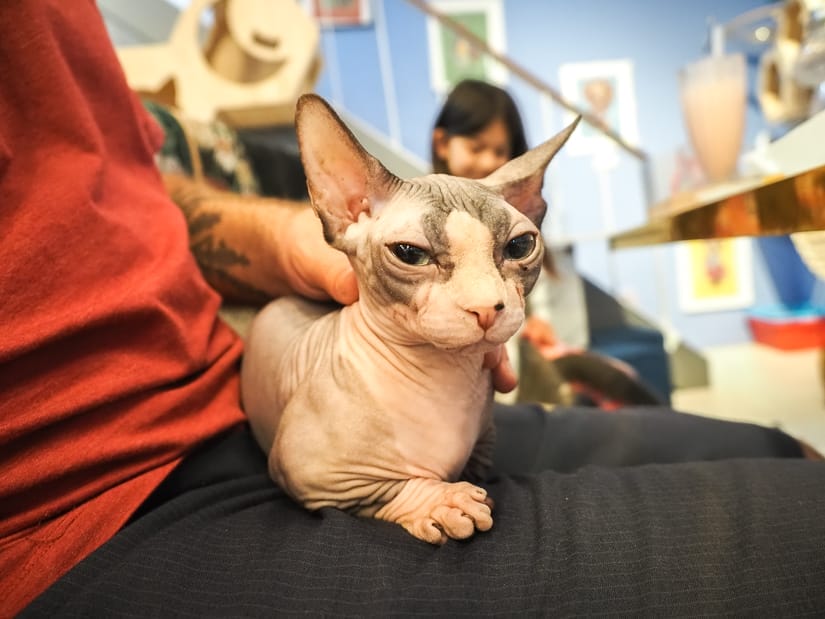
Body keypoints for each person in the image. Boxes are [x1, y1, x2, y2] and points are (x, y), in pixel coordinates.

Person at [2, 3, 824, 616]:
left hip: (214, 389)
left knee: (771, 444)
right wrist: (403, 497)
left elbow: (143, 190)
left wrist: (282, 238)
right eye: (409, 253)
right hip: (90, 511)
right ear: (348, 207)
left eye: (517, 249)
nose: (489, 300)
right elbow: (301, 468)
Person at [431, 79, 660, 407]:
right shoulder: (428, 221)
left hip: (526, 346)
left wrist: (533, 323)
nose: (488, 162)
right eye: (476, 148)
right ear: (442, 143)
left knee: (616, 379)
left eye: (499, 151)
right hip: (482, 360)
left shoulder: (512, 219)